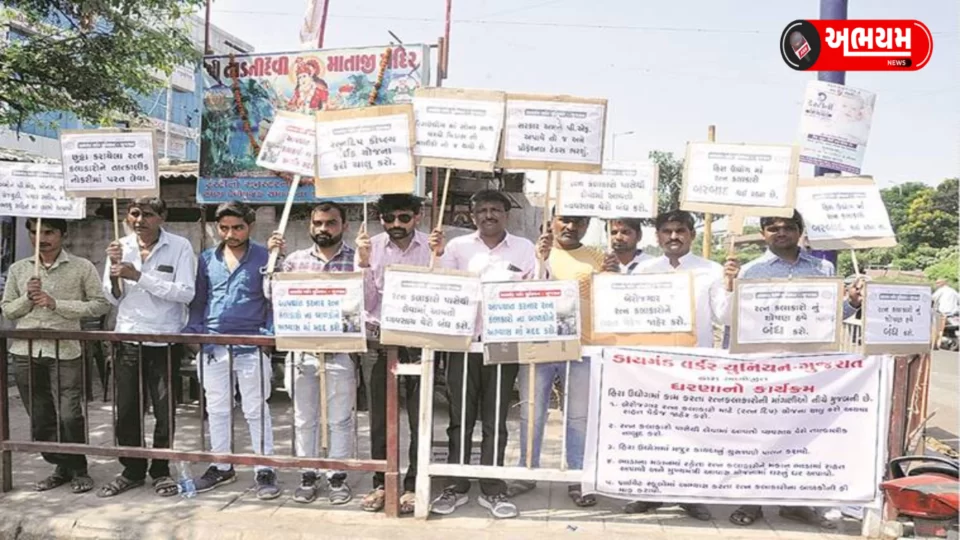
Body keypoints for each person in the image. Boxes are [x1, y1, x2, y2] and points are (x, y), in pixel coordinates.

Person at [726, 210, 861, 529]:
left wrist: (852, 302)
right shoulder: (748, 271)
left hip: (808, 369)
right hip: (764, 368)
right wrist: (734, 366)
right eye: (773, 227)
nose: (781, 232)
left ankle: (796, 502)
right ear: (763, 233)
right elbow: (738, 322)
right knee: (761, 437)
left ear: (801, 231)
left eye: (788, 227)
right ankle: (754, 500)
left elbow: (829, 318)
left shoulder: (824, 268)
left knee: (804, 437)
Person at [427, 190, 551, 520]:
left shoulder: (525, 248)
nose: (489, 215)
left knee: (496, 420)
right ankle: (457, 483)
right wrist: (436, 256)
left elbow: (537, 290)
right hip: (464, 344)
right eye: (481, 210)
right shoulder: (456, 248)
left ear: (507, 215)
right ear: (472, 216)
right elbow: (442, 287)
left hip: (504, 344)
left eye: (496, 209)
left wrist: (543, 260)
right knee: (461, 418)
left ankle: (492, 486)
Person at [623, 209, 738, 521]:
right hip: (653, 365)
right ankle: (648, 493)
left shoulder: (712, 270)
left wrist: (731, 285)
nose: (673, 237)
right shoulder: (643, 270)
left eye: (680, 231)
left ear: (692, 235)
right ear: (658, 236)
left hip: (694, 365)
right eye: (667, 231)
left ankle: (690, 495)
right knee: (653, 431)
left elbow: (724, 318)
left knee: (692, 432)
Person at [506, 212, 617, 507]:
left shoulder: (597, 256)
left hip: (582, 346)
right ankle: (526, 471)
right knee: (532, 410)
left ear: (587, 226)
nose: (571, 227)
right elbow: (516, 290)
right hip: (538, 344)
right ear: (552, 222)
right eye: (565, 220)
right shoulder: (533, 252)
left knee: (578, 415)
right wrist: (539, 262)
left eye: (579, 222)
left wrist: (613, 274)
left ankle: (577, 476)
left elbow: (609, 298)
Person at [0, 218, 111, 494]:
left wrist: (56, 303)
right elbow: (8, 311)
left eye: (49, 232)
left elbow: (100, 305)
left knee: (70, 414)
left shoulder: (81, 267)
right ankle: (60, 466)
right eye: (35, 232)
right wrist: (28, 298)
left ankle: (79, 467)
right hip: (25, 351)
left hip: (66, 349)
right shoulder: (19, 269)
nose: (42, 238)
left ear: (64, 234)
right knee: (40, 417)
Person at [97, 197, 197, 498]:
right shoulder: (119, 247)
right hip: (128, 338)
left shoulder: (180, 247)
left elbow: (185, 293)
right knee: (127, 409)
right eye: (134, 213)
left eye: (148, 214)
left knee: (165, 411)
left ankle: (161, 470)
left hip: (165, 339)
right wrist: (117, 274)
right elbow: (113, 297)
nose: (139, 220)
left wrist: (138, 275)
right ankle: (132, 469)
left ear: (162, 217)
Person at [183, 201, 279, 499]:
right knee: (217, 408)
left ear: (249, 226)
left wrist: (268, 336)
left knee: (255, 408)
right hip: (213, 345)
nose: (230, 233)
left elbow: (274, 300)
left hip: (252, 344)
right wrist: (194, 333)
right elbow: (199, 301)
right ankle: (221, 465)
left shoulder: (267, 257)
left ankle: (264, 468)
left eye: (237, 227)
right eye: (224, 227)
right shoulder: (207, 258)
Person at [266, 201, 357, 505]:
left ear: (343, 225)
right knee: (305, 418)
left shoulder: (356, 260)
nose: (323, 228)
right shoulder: (293, 260)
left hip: (340, 353)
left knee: (340, 420)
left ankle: (337, 477)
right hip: (302, 355)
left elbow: (366, 300)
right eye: (318, 223)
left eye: (330, 223)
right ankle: (308, 475)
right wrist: (272, 259)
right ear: (310, 226)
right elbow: (271, 295)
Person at [355, 194, 431, 514]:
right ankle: (380, 483)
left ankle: (414, 484)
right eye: (389, 219)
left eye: (403, 217)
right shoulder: (369, 247)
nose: (396, 225)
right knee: (380, 419)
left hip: (420, 342)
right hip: (380, 341)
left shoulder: (434, 247)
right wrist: (361, 264)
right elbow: (363, 302)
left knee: (420, 417)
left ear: (417, 217)